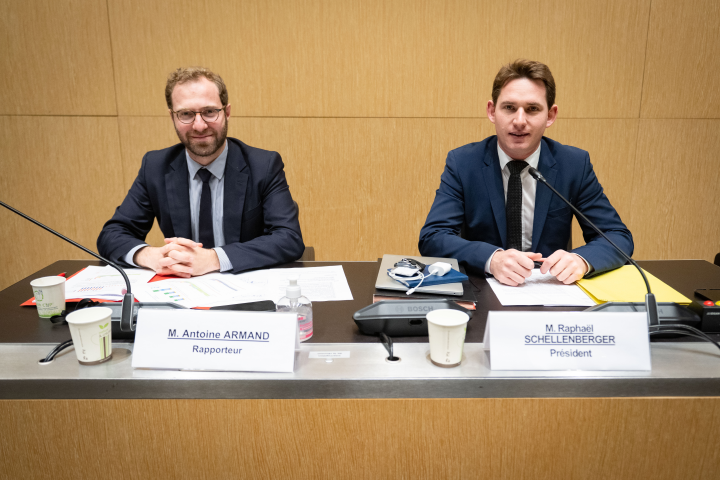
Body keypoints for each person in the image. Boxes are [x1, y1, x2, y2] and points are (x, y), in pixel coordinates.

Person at [418, 59, 633, 286]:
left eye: (532, 109)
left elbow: (617, 236)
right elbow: (434, 237)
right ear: (492, 111)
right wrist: (492, 259)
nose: (519, 121)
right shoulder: (463, 163)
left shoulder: (573, 164)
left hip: (552, 293)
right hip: (484, 292)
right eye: (509, 107)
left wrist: (582, 260)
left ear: (550, 115)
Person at [98, 67, 304, 277]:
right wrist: (150, 255)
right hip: (181, 294)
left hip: (245, 292)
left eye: (209, 112)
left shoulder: (264, 165)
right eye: (186, 114)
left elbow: (289, 238)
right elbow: (112, 234)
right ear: (172, 118)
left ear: (227, 112)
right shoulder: (155, 166)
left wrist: (214, 258)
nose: (199, 125)